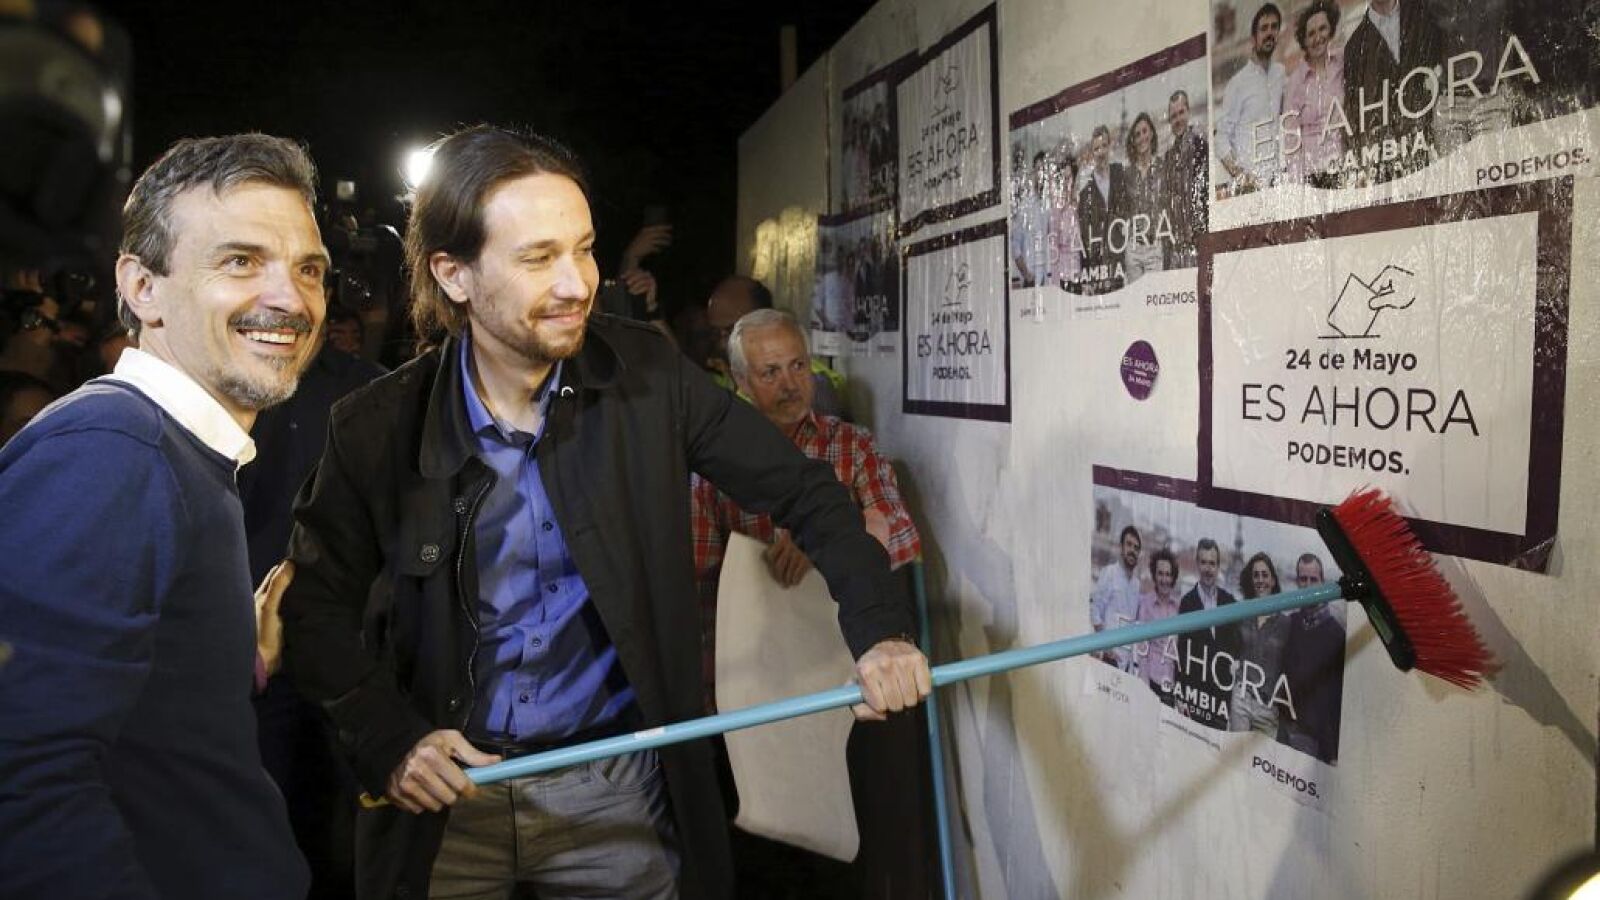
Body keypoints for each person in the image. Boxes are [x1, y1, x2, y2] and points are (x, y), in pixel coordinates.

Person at [279, 125, 931, 900]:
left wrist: (879, 631)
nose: (576, 284)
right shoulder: (374, 427)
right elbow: (314, 609)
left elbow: (807, 492)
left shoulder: (650, 377)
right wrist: (388, 739)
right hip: (447, 804)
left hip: (616, 792)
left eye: (583, 250)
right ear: (454, 274)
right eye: (537, 258)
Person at [0, 133, 326, 900]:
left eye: (308, 268)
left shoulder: (166, 453)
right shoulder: (110, 454)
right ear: (142, 287)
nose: (291, 298)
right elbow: (23, 782)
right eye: (240, 261)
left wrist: (235, 655)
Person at [690, 308, 928, 898]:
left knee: (849, 839)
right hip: (757, 679)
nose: (791, 385)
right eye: (770, 372)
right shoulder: (714, 464)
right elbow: (697, 574)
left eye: (799, 366)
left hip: (844, 673)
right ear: (739, 381)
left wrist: (828, 536)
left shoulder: (851, 445)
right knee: (763, 840)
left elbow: (902, 536)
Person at [705, 273, 845, 418]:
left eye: (729, 331)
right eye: (715, 333)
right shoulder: (725, 376)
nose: (721, 344)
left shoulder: (813, 385)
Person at [1343, 0, 1443, 183]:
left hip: (1433, 137)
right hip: (1390, 156)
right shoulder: (1354, 47)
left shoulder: (1424, 13)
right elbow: (1356, 113)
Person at [1277, 553, 1346, 763]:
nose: (1308, 586)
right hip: (1284, 729)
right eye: (1303, 579)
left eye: (1313, 580)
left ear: (1322, 582)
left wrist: (1331, 752)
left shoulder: (1336, 635)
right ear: (1297, 582)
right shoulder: (1292, 623)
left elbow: (1335, 700)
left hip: (1313, 740)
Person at [1216, 3, 1288, 193]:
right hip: (1250, 188)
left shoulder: (1281, 74)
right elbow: (1221, 138)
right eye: (1264, 28)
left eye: (1274, 27)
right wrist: (1241, 176)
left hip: (1278, 184)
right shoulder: (1237, 84)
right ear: (1253, 38)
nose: (1269, 32)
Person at [1283, 0, 1345, 185]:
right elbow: (1290, 139)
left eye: (1322, 29)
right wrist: (1298, 184)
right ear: (1304, 41)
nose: (1318, 37)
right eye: (1311, 34)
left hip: (1344, 166)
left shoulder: (1343, 62)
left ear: (1331, 30)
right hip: (1313, 174)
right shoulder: (1295, 82)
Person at [1231, 551, 1293, 736]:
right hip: (1241, 698)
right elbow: (1233, 649)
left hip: (1267, 706)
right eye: (1256, 575)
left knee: (1262, 754)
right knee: (1236, 752)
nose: (1260, 580)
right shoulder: (1243, 615)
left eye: (1265, 575)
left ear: (1273, 581)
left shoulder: (1285, 624)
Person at [1076, 125, 1129, 294]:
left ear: (1110, 146)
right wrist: (1088, 275)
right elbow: (1085, 238)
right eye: (1096, 149)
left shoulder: (1121, 174)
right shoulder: (1086, 193)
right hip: (1101, 269)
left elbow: (1131, 211)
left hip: (1125, 260)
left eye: (1104, 146)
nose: (1101, 152)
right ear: (1092, 153)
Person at [1161, 90, 1208, 269]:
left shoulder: (1201, 146)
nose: (1178, 119)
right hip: (1177, 245)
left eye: (1181, 113)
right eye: (1173, 116)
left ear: (1188, 112)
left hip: (1199, 239)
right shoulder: (1168, 158)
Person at [1090, 524, 1143, 671]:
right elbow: (1095, 611)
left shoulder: (1137, 585)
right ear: (1121, 547)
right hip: (1108, 657)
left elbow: (1134, 622)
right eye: (1129, 545)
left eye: (1136, 548)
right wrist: (1106, 647)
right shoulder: (1109, 573)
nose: (1132, 550)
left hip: (1126, 663)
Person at [1122, 111, 1165, 285]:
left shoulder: (1162, 167)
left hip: (1155, 245)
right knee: (1135, 298)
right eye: (1137, 134)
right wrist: (1127, 227)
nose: (1141, 138)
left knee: (1154, 295)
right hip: (1134, 248)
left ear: (1152, 133)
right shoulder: (1127, 174)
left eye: (1145, 131)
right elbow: (1122, 208)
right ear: (1133, 140)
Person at [1134, 547, 1181, 702]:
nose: (1164, 579)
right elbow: (1142, 652)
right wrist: (1145, 688)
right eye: (1160, 573)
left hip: (1171, 687)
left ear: (1173, 577)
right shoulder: (1146, 605)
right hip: (1151, 682)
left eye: (1168, 574)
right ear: (1154, 575)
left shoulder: (1178, 608)